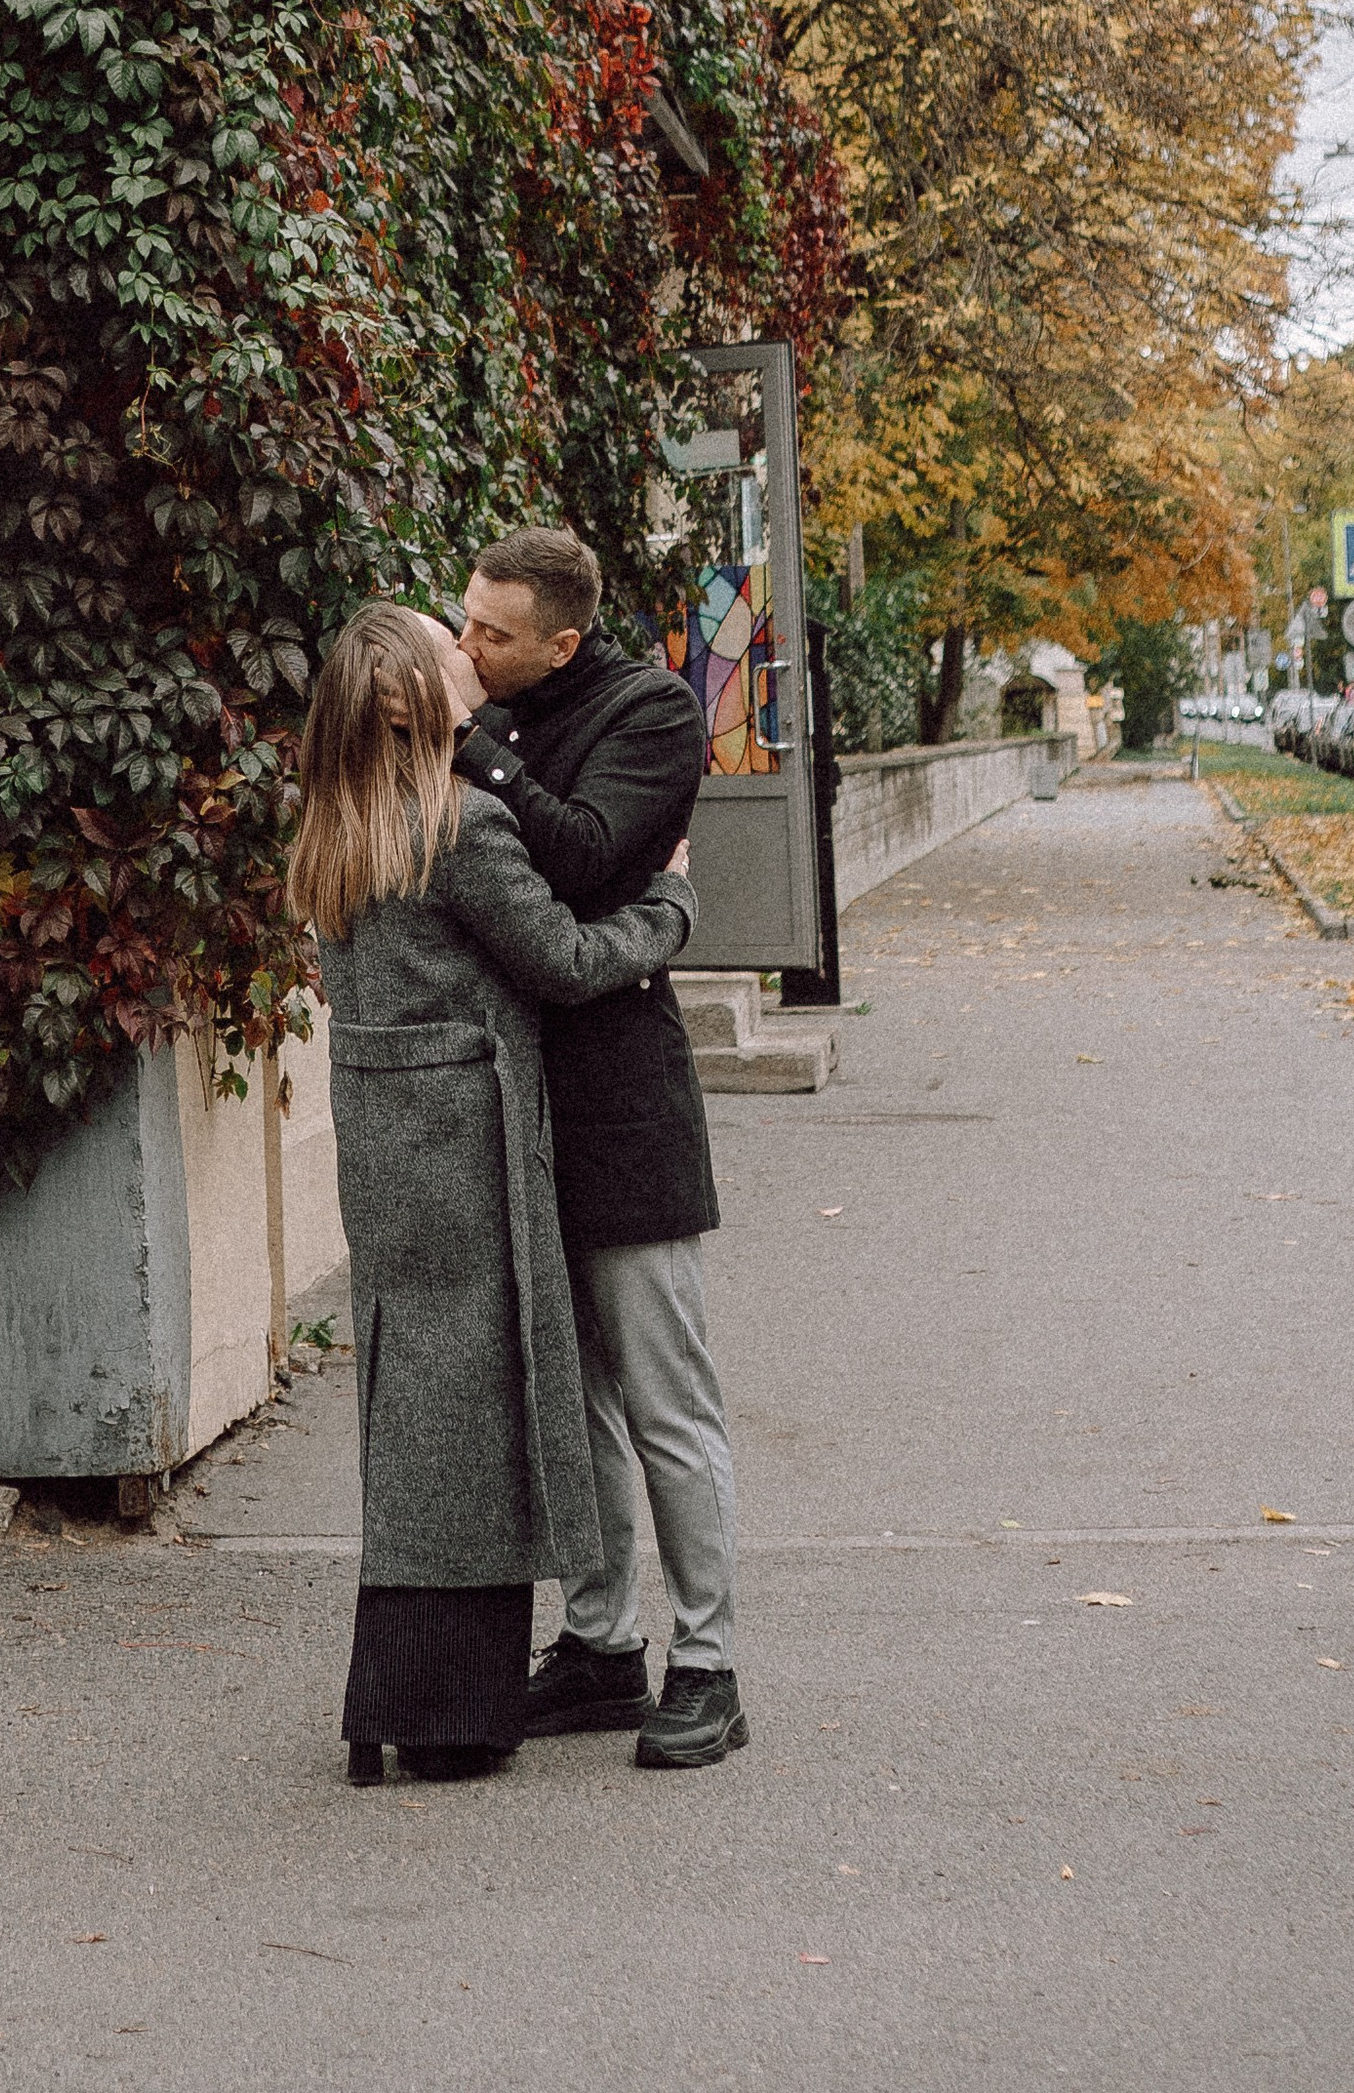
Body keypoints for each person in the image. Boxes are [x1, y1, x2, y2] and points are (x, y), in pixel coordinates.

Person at [293, 600, 697, 1787]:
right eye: (447, 647)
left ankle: (408, 1688)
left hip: (384, 1142)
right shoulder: (459, 825)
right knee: (478, 1399)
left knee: (411, 1393)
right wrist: (668, 908)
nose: (468, 654)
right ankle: (446, 1706)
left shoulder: (334, 825)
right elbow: (567, 964)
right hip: (469, 1139)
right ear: (422, 699)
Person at [449, 523, 745, 1771]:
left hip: (622, 1105)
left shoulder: (653, 716)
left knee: (666, 1400)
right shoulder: (508, 707)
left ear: (560, 641)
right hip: (516, 1106)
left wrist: (472, 756)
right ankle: (601, 1648)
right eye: (463, 621)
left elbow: (581, 860)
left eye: (492, 636)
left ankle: (710, 1667)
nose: (465, 648)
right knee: (572, 1406)